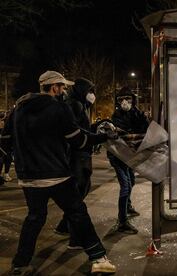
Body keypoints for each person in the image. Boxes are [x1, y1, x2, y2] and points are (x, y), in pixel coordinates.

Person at [1, 71, 116, 274]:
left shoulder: (18, 108)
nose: (64, 91)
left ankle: (20, 264)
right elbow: (78, 140)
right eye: (62, 87)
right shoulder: (59, 108)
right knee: (78, 213)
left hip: (28, 177)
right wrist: (101, 137)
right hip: (56, 174)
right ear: (54, 87)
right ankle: (98, 257)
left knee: (35, 218)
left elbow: (5, 140)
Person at [54, 78, 101, 249]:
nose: (92, 94)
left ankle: (64, 226)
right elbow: (76, 132)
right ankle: (75, 239)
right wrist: (97, 136)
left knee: (80, 192)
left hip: (79, 154)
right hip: (78, 156)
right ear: (82, 90)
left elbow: (83, 128)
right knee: (78, 196)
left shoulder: (79, 105)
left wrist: (96, 128)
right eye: (89, 90)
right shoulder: (75, 105)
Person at [107, 87, 149, 234]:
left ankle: (128, 205)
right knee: (125, 185)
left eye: (128, 99)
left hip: (129, 155)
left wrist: (141, 116)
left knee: (131, 181)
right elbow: (123, 130)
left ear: (133, 100)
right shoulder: (117, 115)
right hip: (118, 155)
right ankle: (122, 221)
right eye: (121, 100)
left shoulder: (136, 113)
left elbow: (144, 127)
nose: (124, 102)